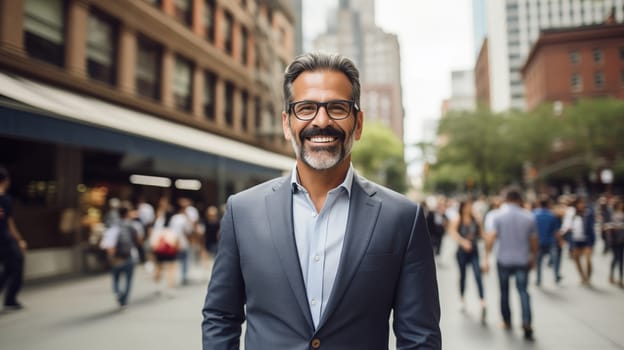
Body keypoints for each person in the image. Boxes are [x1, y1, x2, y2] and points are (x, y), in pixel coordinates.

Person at [201, 52, 441, 349]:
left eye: (338, 108)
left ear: (359, 122)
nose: (322, 121)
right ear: (287, 123)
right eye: (306, 108)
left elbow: (420, 338)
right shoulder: (242, 210)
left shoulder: (403, 217)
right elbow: (220, 316)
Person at [484, 187, 538, 341]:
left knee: (504, 291)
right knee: (523, 291)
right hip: (522, 259)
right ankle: (526, 321)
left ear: (505, 198)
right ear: (519, 199)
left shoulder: (497, 216)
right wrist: (534, 257)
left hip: (503, 259)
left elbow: (491, 238)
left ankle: (507, 321)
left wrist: (486, 257)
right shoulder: (529, 217)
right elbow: (534, 241)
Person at [448, 199, 487, 323]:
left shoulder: (476, 219)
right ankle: (462, 299)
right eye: (467, 206)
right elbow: (452, 232)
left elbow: (482, 234)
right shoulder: (457, 219)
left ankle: (482, 300)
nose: (469, 208)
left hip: (474, 251)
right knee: (463, 276)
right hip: (462, 252)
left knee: (478, 275)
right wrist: (463, 242)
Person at [99, 205, 141, 307]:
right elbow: (138, 240)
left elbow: (107, 243)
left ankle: (118, 292)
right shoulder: (131, 225)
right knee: (128, 279)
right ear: (127, 213)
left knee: (116, 278)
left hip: (116, 257)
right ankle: (124, 299)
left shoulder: (113, 225)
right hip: (129, 255)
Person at [0, 166, 27, 310]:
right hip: (4, 239)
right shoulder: (5, 199)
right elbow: (9, 223)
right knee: (17, 265)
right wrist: (20, 240)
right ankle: (10, 299)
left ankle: (10, 299)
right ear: (5, 181)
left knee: (8, 268)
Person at [561, 197, 596, 285]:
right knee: (577, 259)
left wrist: (593, 242)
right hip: (576, 239)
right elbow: (566, 225)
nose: (581, 205)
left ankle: (588, 277)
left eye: (582, 203)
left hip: (587, 240)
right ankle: (582, 277)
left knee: (588, 260)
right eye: (579, 203)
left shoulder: (588, 213)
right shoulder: (572, 213)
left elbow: (592, 228)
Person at [533, 195, 563, 285]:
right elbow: (556, 231)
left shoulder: (534, 214)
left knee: (538, 262)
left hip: (538, 242)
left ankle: (538, 279)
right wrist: (560, 240)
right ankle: (556, 275)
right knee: (555, 259)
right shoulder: (552, 215)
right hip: (550, 241)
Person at [607, 199, 624, 287]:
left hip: (622, 239)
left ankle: (621, 278)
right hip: (614, 239)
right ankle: (611, 275)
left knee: (621, 259)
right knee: (615, 258)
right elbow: (607, 224)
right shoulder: (611, 213)